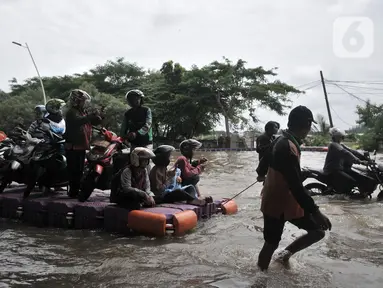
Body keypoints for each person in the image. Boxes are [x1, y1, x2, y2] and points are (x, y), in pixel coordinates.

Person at [257, 106, 332, 271]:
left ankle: (284, 256)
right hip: (277, 203)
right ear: (306, 124)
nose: (309, 129)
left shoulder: (281, 139)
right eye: (309, 125)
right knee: (271, 243)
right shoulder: (287, 146)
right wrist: (316, 212)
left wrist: (262, 174)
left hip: (288, 201)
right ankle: (260, 279)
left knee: (317, 231)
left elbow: (263, 162)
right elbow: (297, 187)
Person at [64, 89, 102, 198]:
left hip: (81, 145)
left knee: (80, 170)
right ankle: (73, 192)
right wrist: (90, 116)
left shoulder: (82, 112)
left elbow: (89, 121)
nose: (85, 103)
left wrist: (98, 117)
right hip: (72, 146)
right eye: (83, 101)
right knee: (74, 170)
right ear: (76, 100)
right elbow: (78, 121)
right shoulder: (72, 112)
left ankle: (76, 190)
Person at [323, 127, 368, 195]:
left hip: (340, 169)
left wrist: (364, 157)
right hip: (333, 170)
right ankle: (346, 196)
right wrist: (359, 161)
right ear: (335, 137)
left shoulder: (340, 145)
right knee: (351, 181)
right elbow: (345, 153)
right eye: (340, 136)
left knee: (358, 176)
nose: (341, 138)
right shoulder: (333, 145)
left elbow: (352, 151)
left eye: (341, 136)